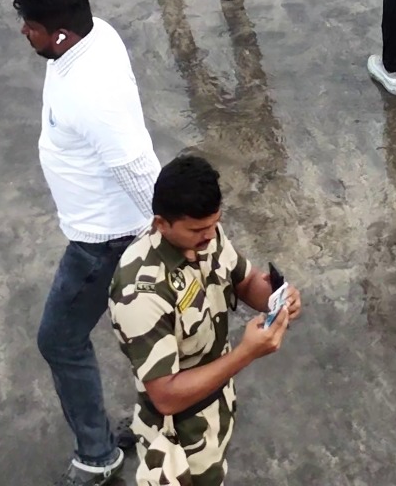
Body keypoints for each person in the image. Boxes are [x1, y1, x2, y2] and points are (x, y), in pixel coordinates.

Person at [13, 0, 160, 486]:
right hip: (108, 231)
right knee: (143, 329)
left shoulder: (92, 94)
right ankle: (152, 417)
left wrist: (175, 237)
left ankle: (97, 456)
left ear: (59, 35)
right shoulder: (95, 36)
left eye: (31, 27)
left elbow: (138, 169)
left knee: (59, 340)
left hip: (104, 241)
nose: (24, 33)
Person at [108, 154, 302, 486]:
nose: (211, 235)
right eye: (198, 229)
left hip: (217, 406)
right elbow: (165, 396)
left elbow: (244, 280)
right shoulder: (141, 292)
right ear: (161, 224)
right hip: (177, 436)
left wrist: (275, 299)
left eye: (215, 223)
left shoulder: (206, 235)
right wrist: (246, 353)